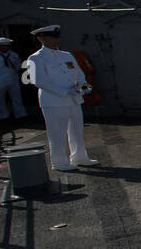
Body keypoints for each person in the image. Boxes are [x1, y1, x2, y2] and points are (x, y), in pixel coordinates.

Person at [25, 25, 100, 171]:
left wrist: (82, 86)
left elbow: (79, 73)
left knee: (77, 130)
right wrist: (64, 92)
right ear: (41, 38)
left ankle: (79, 157)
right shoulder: (35, 58)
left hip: (74, 99)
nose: (57, 40)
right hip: (54, 101)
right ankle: (59, 162)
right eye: (53, 37)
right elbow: (39, 81)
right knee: (57, 133)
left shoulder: (66, 55)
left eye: (58, 37)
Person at [0, 37, 27, 120]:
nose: (5, 47)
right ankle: (2, 115)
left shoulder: (13, 54)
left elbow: (18, 65)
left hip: (13, 78)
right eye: (3, 46)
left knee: (17, 97)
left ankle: (20, 114)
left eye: (7, 46)